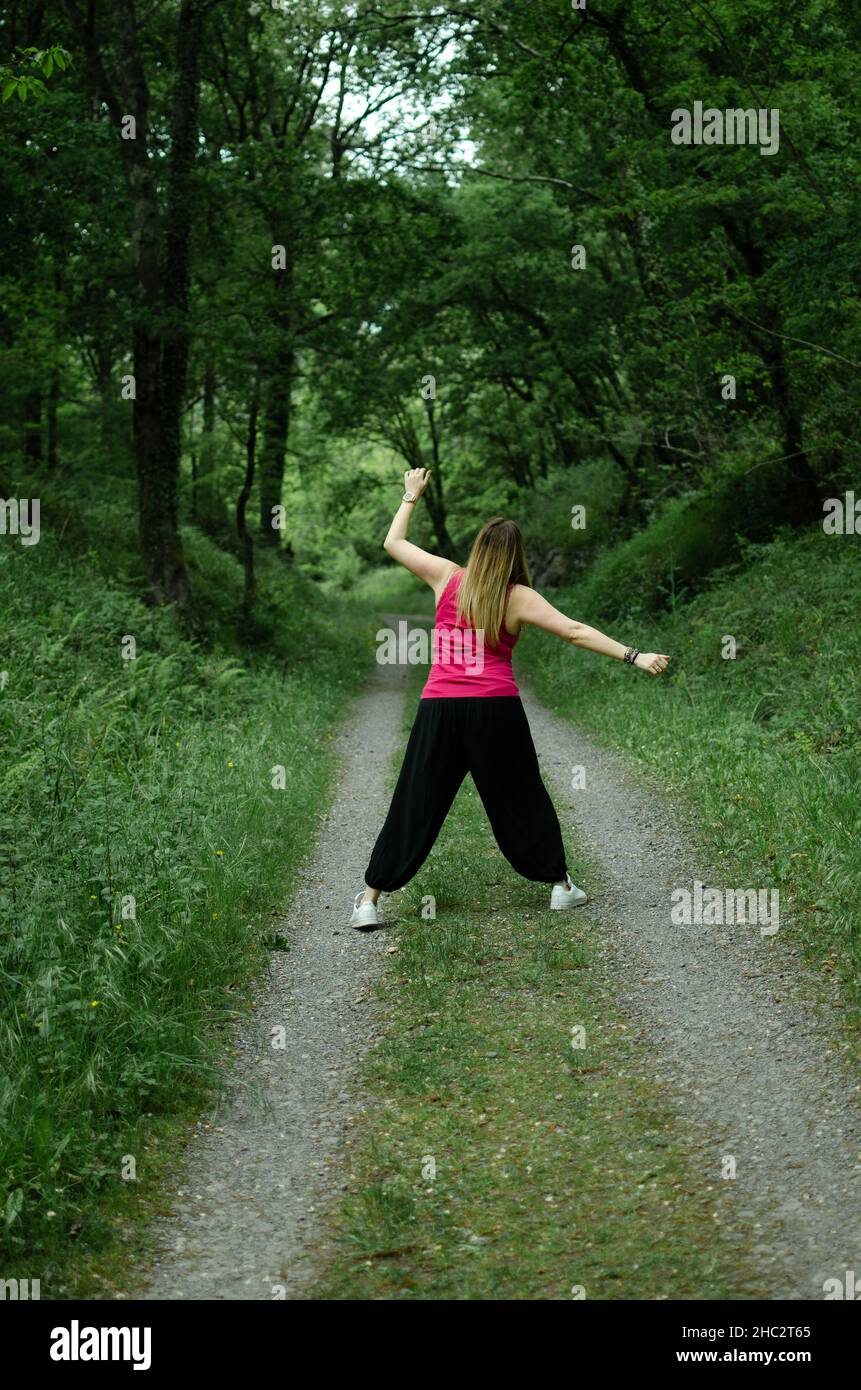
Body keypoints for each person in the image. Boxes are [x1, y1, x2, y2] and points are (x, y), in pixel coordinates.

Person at [351, 468, 670, 928]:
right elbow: (575, 632)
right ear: (516, 555)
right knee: (520, 795)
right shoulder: (518, 596)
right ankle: (560, 887)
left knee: (415, 798)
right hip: (495, 710)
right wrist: (633, 655)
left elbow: (393, 544)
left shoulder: (446, 577)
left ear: (478, 549)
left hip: (440, 707)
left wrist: (410, 495)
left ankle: (369, 900)